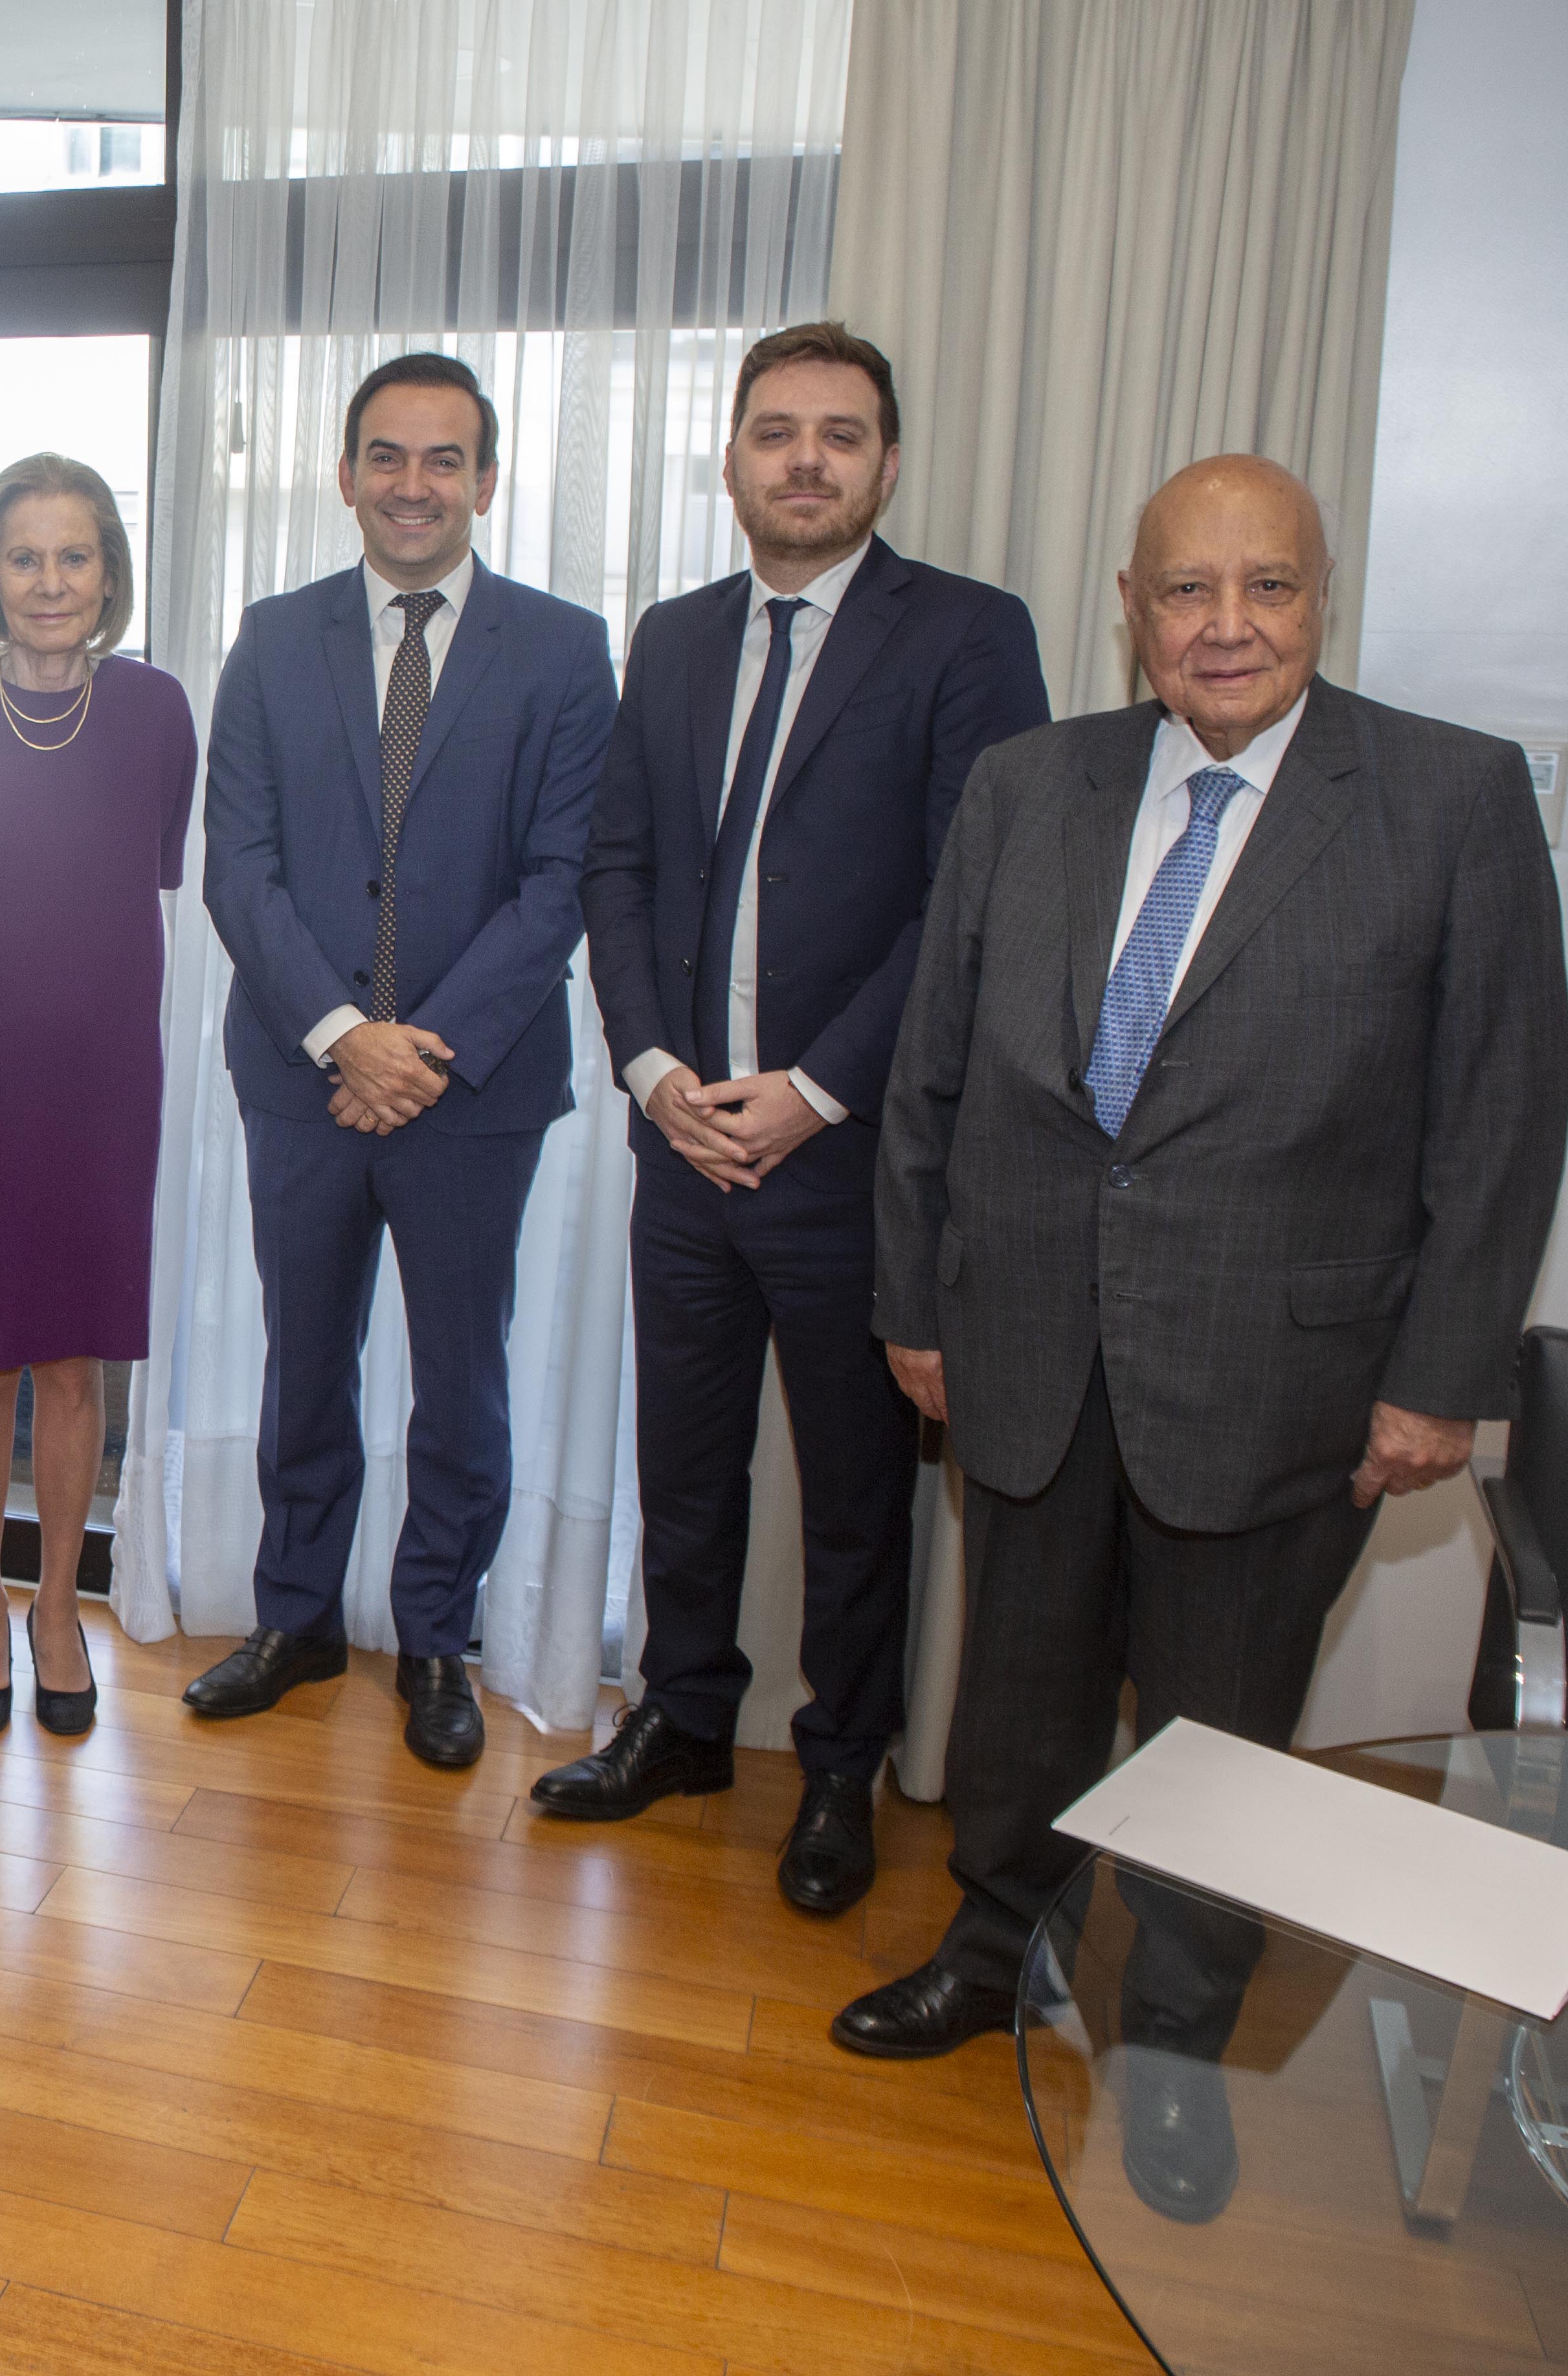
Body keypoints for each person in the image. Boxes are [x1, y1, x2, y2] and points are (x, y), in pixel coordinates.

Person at [835, 455, 1568, 2226]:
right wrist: (916, 1303)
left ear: (1324, 597)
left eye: (1269, 587)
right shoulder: (1031, 784)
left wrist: (1440, 1374)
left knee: (1218, 1732)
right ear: (1133, 604)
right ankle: (998, 1947)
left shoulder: (1449, 797)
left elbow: (1501, 1113)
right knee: (1013, 1699)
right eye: (1189, 589)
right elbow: (932, 1068)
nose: (1226, 624)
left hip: (1280, 1369)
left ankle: (1170, 2037)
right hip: (1023, 1346)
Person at [539, 324, 1049, 1912]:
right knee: (682, 1464)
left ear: (885, 465)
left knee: (854, 1488)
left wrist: (815, 1091)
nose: (805, 459)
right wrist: (651, 1073)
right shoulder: (676, 636)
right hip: (683, 1142)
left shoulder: (969, 635)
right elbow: (615, 867)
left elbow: (971, 901)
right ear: (732, 460)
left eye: (840, 434)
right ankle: (685, 1717)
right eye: (776, 432)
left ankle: (836, 1766)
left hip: (855, 1161)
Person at [191, 352, 616, 1766]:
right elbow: (237, 869)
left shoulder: (560, 650)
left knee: (461, 1376)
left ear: (485, 481)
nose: (413, 484)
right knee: (302, 1365)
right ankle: (295, 1614)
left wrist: (417, 1050)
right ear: (346, 474)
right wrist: (339, 1035)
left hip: (469, 1090)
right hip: (301, 1076)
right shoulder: (269, 636)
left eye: (443, 460)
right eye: (386, 456)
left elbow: (561, 879)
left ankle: (435, 1632)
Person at [0, 455, 195, 1736]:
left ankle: (58, 1603)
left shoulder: (158, 710)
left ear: (108, 573)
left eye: (73, 556)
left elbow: (147, 874)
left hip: (103, 1079)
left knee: (72, 1357)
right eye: (25, 556)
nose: (50, 581)